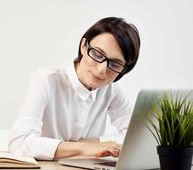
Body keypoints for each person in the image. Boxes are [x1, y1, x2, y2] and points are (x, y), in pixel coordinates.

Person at [8, 17, 141, 160]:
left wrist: (95, 143)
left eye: (115, 64)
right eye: (97, 54)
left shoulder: (112, 89)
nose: (102, 69)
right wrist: (84, 148)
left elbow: (138, 136)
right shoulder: (46, 80)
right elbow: (19, 143)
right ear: (84, 46)